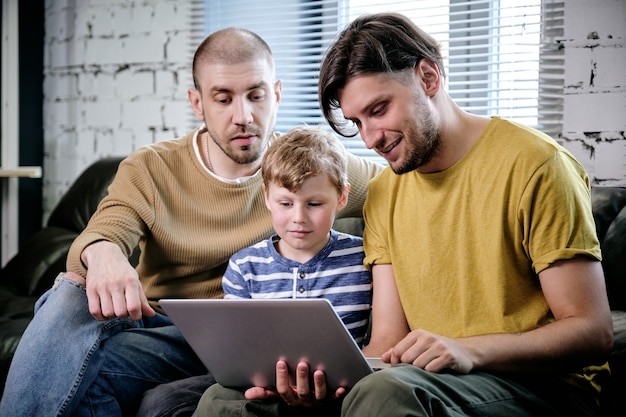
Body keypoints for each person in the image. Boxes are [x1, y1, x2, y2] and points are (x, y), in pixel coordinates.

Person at [0, 28, 382, 417]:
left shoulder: (303, 168)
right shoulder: (151, 167)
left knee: (92, 373)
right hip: (165, 336)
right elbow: (106, 227)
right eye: (223, 99)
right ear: (197, 103)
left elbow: (399, 188)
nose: (244, 116)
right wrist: (103, 253)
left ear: (277, 94)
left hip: (251, 343)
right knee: (69, 297)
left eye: (256, 95)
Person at [313, 12, 613, 417]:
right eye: (356, 123)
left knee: (387, 395)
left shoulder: (536, 165)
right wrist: (323, 381)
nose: (370, 139)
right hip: (425, 381)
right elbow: (386, 338)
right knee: (228, 401)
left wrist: (467, 350)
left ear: (428, 77)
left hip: (542, 387)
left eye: (379, 110)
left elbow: (592, 332)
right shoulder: (385, 192)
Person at [197, 125, 372, 417]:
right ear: (266, 196)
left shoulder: (364, 259)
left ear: (342, 197)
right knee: (216, 399)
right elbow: (237, 352)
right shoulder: (245, 266)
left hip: (342, 393)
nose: (299, 218)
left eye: (314, 204)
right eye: (286, 203)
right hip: (269, 393)